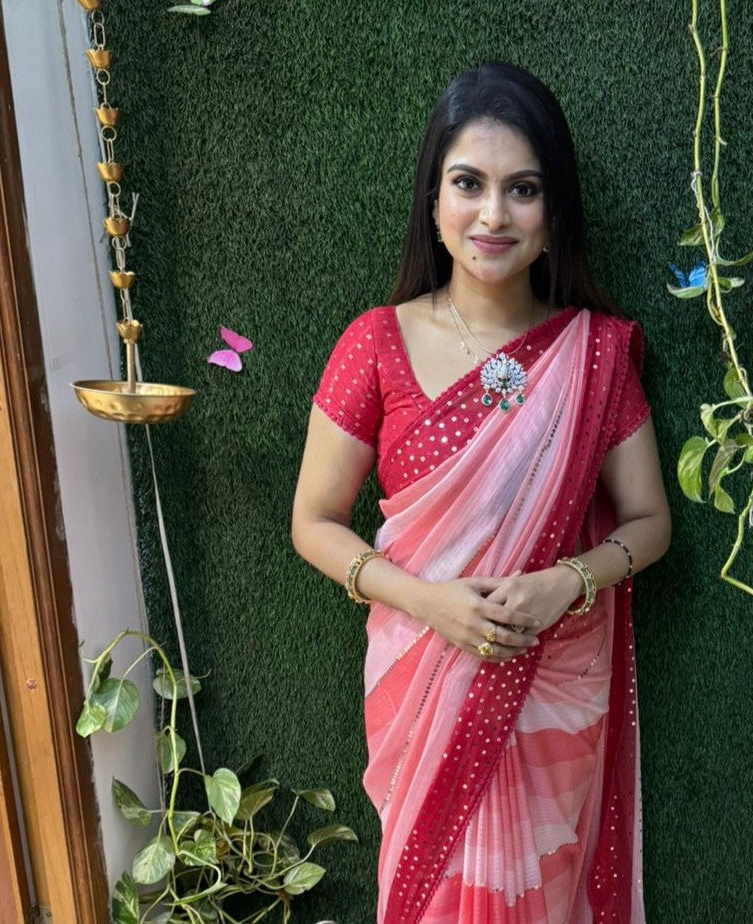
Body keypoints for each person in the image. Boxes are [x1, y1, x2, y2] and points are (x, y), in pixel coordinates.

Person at [291, 61, 670, 924]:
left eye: (522, 190)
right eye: (468, 184)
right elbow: (313, 520)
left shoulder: (593, 355)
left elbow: (651, 521)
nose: (493, 215)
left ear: (554, 212)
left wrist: (566, 582)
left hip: (552, 687)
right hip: (421, 685)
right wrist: (428, 602)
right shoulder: (375, 343)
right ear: (433, 199)